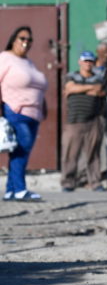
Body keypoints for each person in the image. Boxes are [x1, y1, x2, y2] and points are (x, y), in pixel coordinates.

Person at [0, 27, 48, 201]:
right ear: (14, 40)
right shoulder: (5, 58)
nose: (26, 42)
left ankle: (11, 190)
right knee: (22, 149)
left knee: (21, 151)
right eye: (22, 38)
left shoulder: (28, 62)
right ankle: (20, 190)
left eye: (29, 40)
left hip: (33, 114)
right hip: (15, 110)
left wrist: (43, 107)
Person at [61, 50, 105, 192]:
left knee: (93, 154)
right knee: (70, 154)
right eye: (85, 61)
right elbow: (69, 87)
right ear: (80, 62)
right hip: (74, 121)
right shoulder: (71, 75)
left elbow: (98, 91)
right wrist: (87, 89)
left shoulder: (98, 78)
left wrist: (79, 89)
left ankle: (95, 182)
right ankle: (68, 183)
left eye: (90, 61)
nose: (88, 64)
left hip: (93, 121)